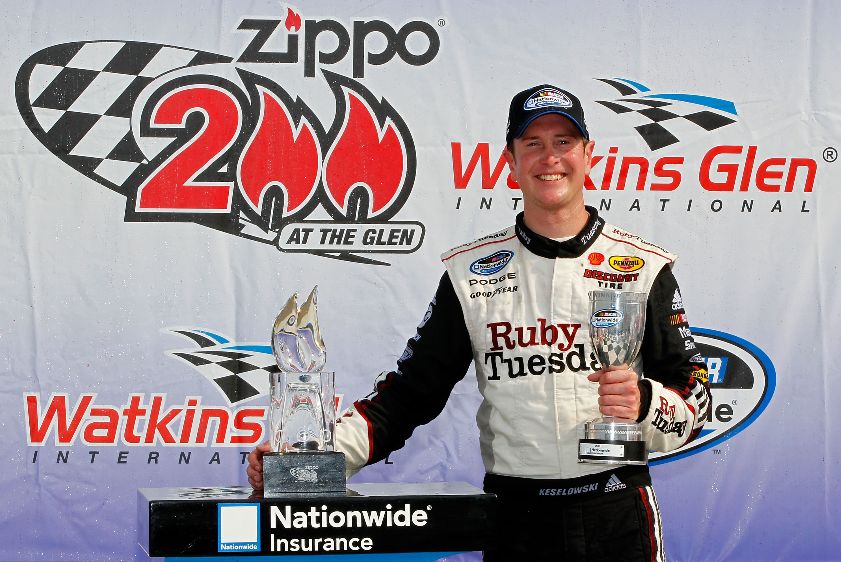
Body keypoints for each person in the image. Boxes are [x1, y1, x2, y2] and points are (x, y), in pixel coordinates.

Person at [247, 84, 711, 560]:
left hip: (616, 510)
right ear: (511, 161)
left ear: (589, 155)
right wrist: (306, 463)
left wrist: (644, 402)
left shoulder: (644, 266)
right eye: (533, 143)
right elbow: (408, 395)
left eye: (564, 142)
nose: (550, 158)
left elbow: (694, 396)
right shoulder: (469, 273)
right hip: (517, 519)